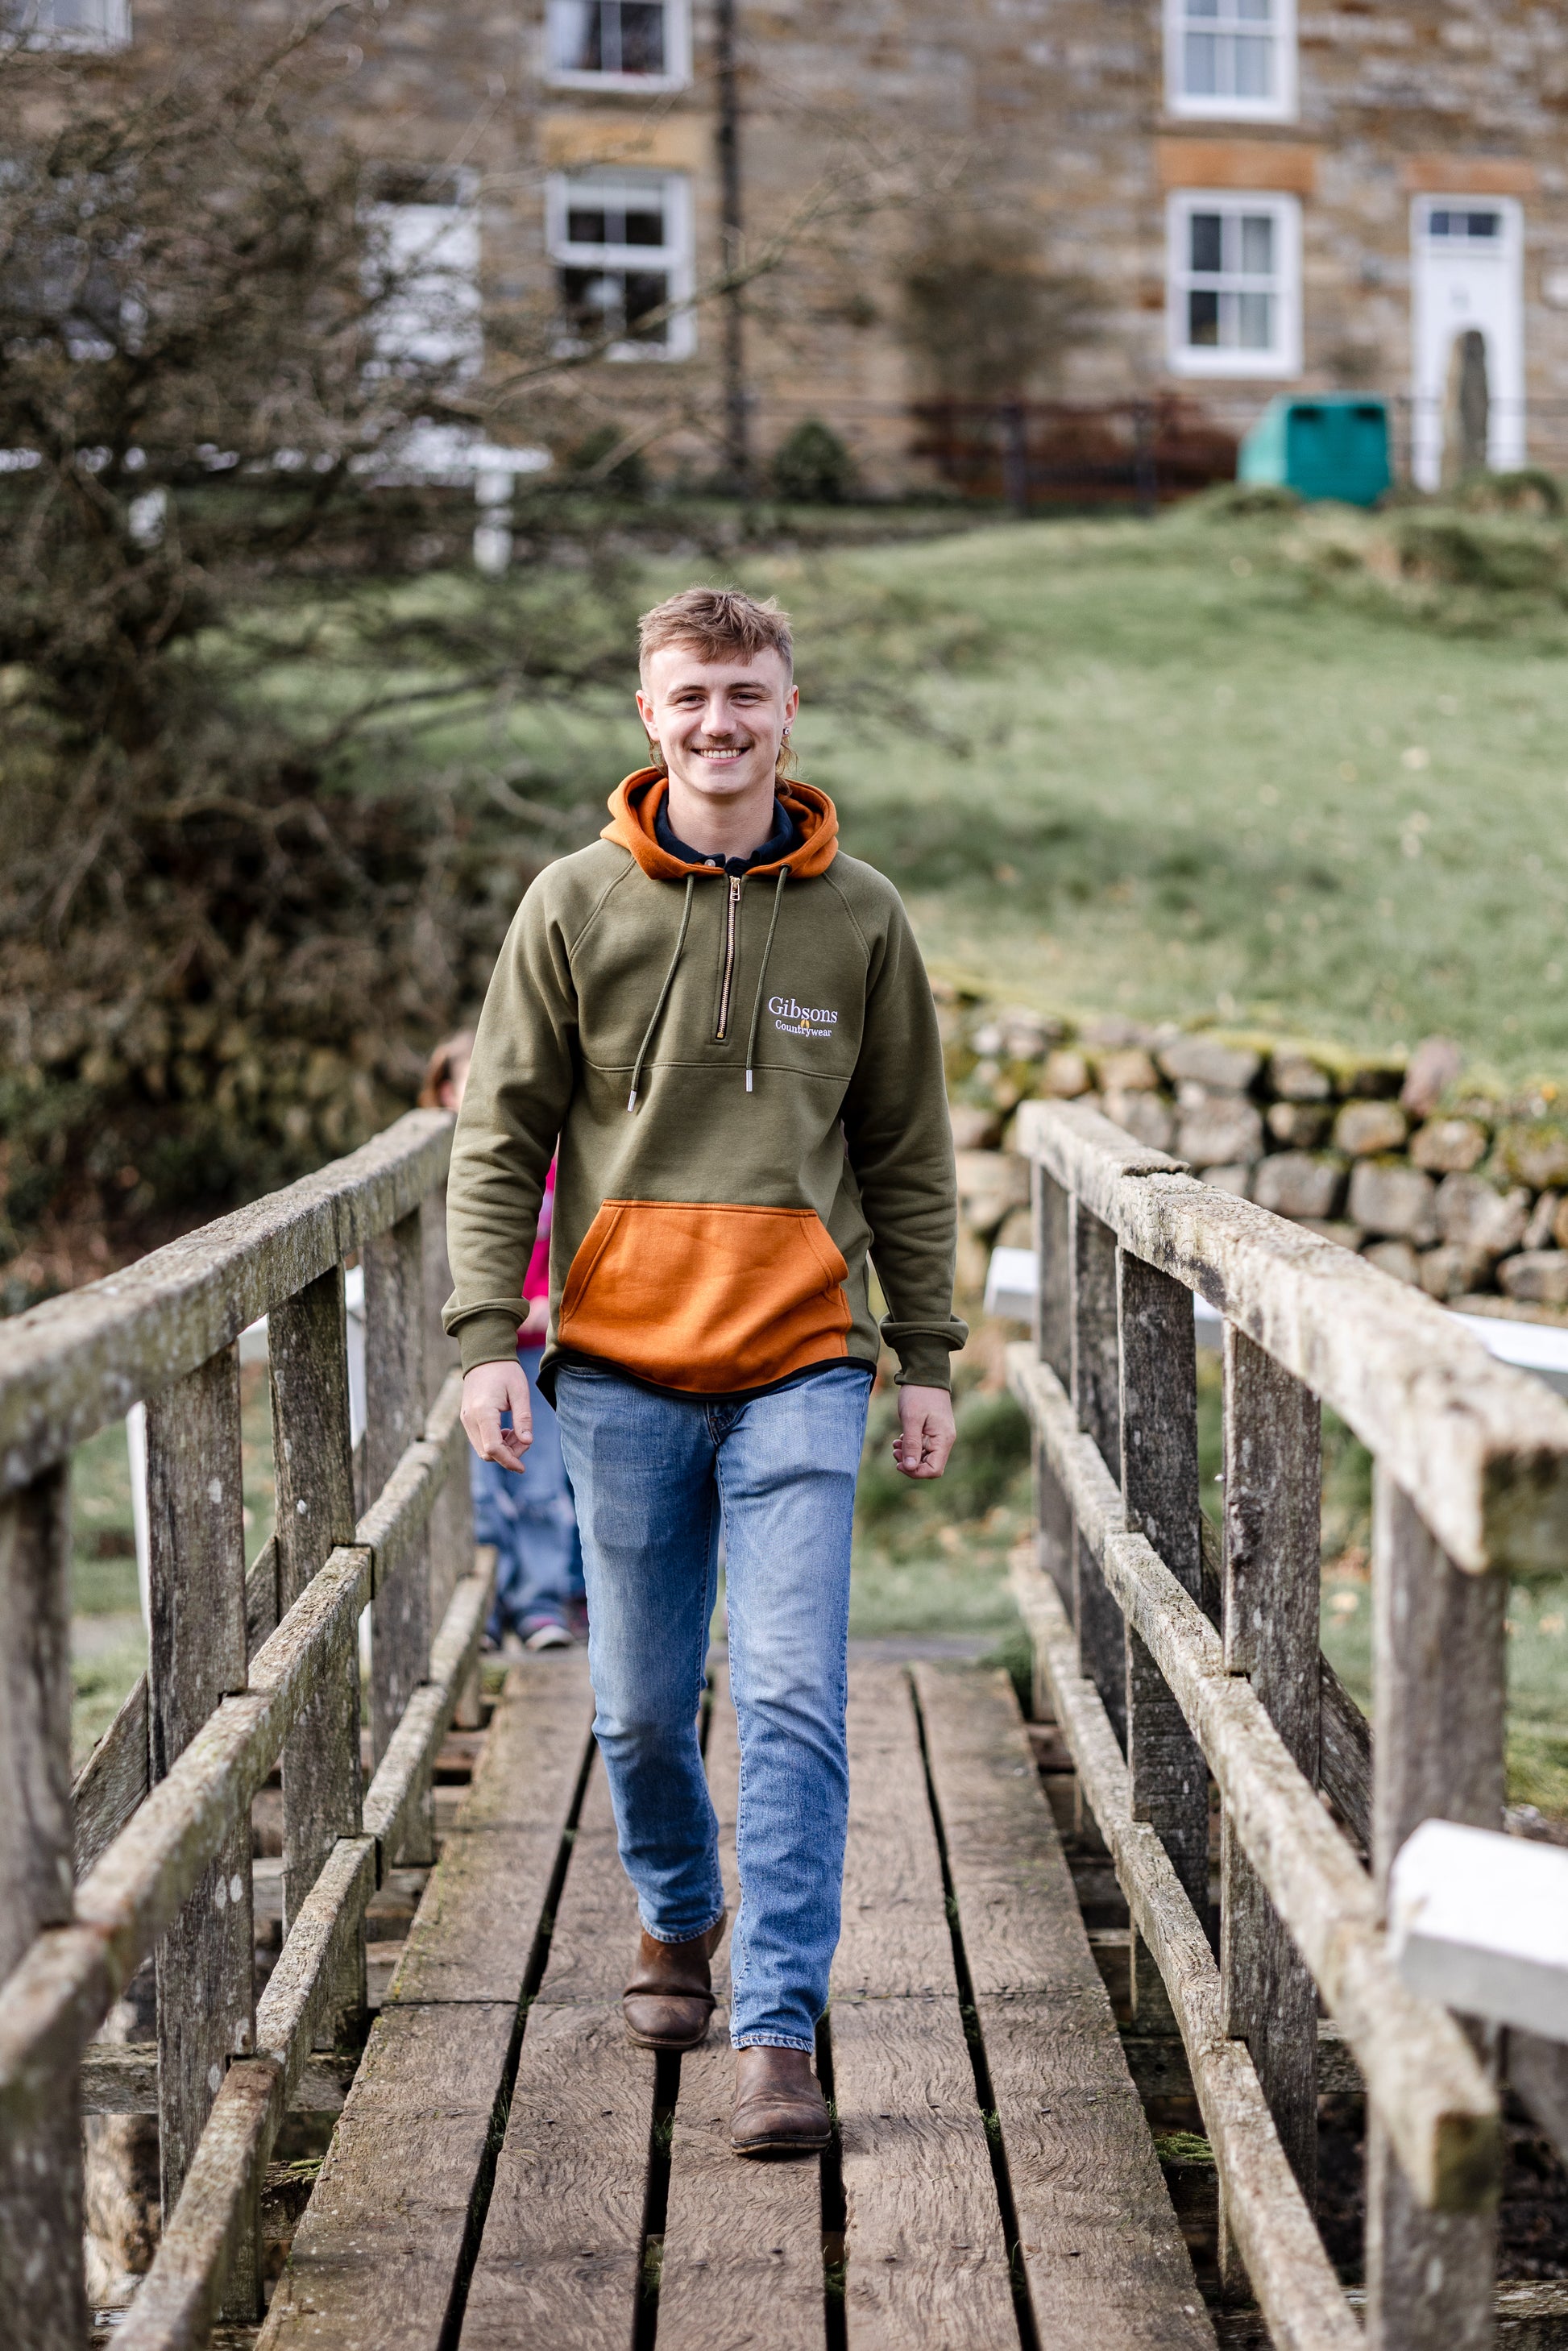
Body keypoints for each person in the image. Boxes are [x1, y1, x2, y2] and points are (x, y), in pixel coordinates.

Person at [444, 587, 964, 2157]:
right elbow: (499, 1136)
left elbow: (907, 1154)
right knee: (639, 1709)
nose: (718, 725)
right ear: (646, 713)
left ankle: (777, 2027)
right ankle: (678, 1913)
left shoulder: (862, 914)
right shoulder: (571, 905)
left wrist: (925, 1350)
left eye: (746, 695)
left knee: (796, 1690)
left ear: (788, 709)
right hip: (614, 1370)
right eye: (690, 698)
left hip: (803, 1362)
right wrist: (487, 1337)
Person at [421, 1034, 587, 1652]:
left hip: (539, 1342)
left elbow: (567, 1236)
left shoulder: (555, 1155)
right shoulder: (437, 1164)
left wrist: (551, 1300)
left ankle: (541, 1605)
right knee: (479, 1489)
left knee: (543, 1479)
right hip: (473, 1347)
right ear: (445, 1093)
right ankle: (482, 1611)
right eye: (469, 1080)